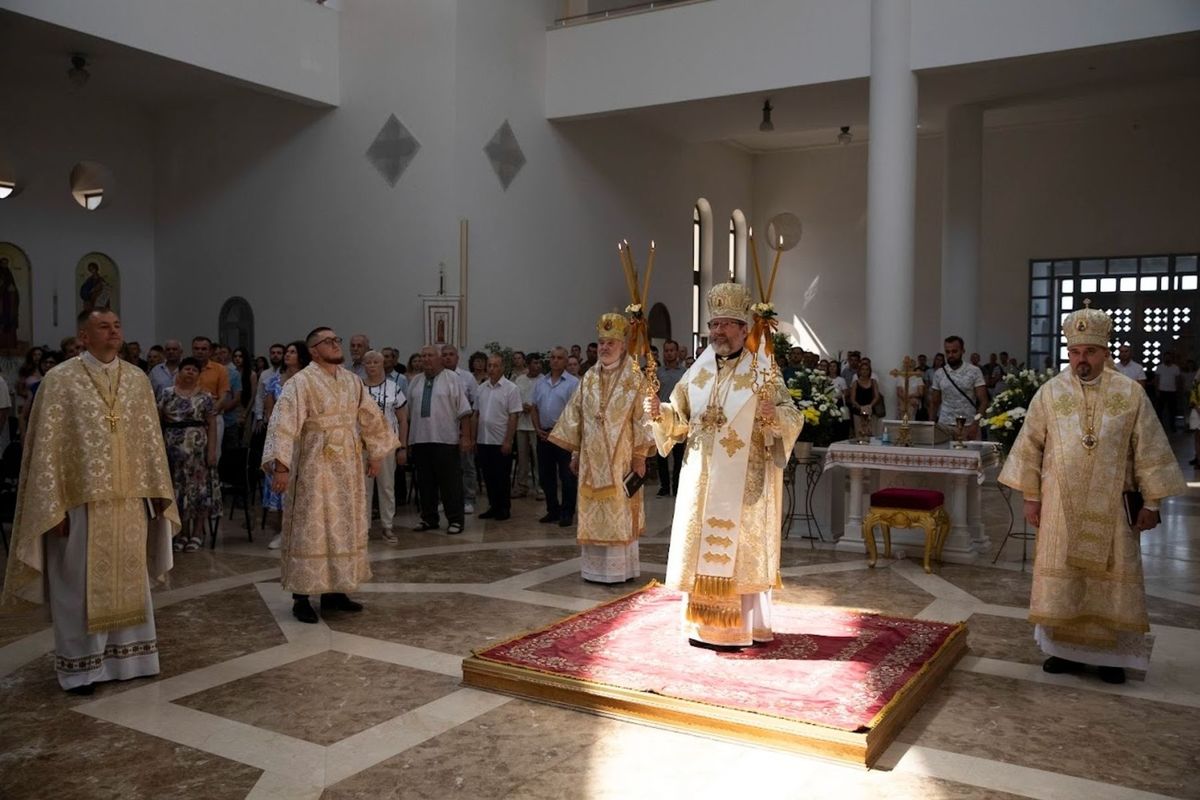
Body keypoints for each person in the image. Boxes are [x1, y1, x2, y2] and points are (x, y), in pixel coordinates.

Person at [999, 303, 1185, 684]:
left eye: (1089, 352)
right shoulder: (1050, 393)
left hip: (1114, 508)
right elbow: (1030, 445)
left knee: (1109, 581)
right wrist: (1031, 498)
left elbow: (1149, 448)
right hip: (1059, 506)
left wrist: (1151, 502)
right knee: (1064, 578)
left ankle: (1110, 657)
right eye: (1075, 352)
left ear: (1105, 352)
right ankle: (1061, 652)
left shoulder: (1131, 393)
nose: (1081, 360)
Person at [2, 308, 179, 694]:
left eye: (117, 325)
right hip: (79, 502)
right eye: (104, 326)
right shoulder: (59, 380)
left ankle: (131, 661)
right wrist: (53, 506)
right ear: (83, 336)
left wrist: (154, 495)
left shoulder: (136, 381)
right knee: (77, 587)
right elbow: (46, 449)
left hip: (129, 500)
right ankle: (82, 668)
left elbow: (150, 443)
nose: (113, 331)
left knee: (130, 582)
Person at [646, 283, 802, 649]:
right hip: (700, 481)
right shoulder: (696, 372)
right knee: (702, 551)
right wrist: (660, 413)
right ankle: (700, 626)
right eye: (713, 325)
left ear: (744, 329)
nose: (717, 332)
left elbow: (791, 416)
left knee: (739, 559)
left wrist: (772, 415)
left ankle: (743, 628)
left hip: (744, 485)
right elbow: (680, 418)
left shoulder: (763, 372)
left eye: (726, 324)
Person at [261, 327, 398, 623]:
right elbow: (282, 423)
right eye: (329, 342)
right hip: (314, 465)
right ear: (313, 350)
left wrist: (375, 452)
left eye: (337, 340)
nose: (336, 345)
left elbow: (371, 416)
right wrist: (282, 467)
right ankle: (301, 597)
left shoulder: (351, 381)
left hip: (348, 467)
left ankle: (335, 591)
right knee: (311, 526)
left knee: (343, 525)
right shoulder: (300, 382)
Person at [550, 315, 655, 583]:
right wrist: (574, 452)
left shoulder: (634, 377)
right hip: (590, 463)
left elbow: (642, 419)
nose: (605, 348)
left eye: (610, 343)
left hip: (621, 461)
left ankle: (620, 571)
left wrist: (640, 456)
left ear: (622, 345)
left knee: (618, 511)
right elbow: (577, 416)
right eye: (601, 343)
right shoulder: (589, 377)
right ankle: (594, 570)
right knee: (594, 511)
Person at [408, 345, 474, 534]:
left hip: (446, 440)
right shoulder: (415, 381)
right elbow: (410, 413)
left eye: (430, 355)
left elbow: (465, 412)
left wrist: (467, 437)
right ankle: (429, 518)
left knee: (450, 483)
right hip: (420, 440)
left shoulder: (452, 379)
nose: (425, 359)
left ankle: (455, 520)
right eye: (423, 356)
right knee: (425, 483)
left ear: (439, 359)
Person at [158, 357, 220, 552]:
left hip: (198, 453)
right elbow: (158, 422)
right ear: (180, 372)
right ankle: (182, 533)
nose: (190, 372)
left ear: (198, 373)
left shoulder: (205, 396)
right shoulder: (167, 394)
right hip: (173, 452)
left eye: (194, 369)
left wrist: (212, 451)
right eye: (187, 369)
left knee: (199, 492)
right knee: (179, 492)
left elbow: (211, 425)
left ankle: (198, 533)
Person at [262, 341, 310, 550]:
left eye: (292, 352)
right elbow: (270, 412)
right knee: (281, 487)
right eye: (287, 352)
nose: (287, 355)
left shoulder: (308, 380)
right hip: (282, 437)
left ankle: (303, 532)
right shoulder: (274, 381)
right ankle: (283, 531)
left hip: (304, 438)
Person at [361, 350, 408, 543]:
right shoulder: (357, 388)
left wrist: (403, 446)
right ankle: (363, 529)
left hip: (387, 444)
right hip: (362, 445)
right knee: (364, 488)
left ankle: (387, 526)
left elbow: (403, 419)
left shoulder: (393, 387)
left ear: (382, 364)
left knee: (387, 486)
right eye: (368, 363)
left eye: (375, 362)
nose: (372, 366)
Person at [530, 347, 580, 527]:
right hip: (543, 434)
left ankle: (567, 512)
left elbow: (574, 411)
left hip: (564, 436)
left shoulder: (573, 383)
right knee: (545, 475)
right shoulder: (540, 383)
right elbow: (534, 407)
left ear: (566, 362)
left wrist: (559, 430)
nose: (555, 360)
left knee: (567, 476)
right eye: (552, 357)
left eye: (559, 358)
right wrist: (537, 428)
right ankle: (553, 509)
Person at [475, 354, 522, 521]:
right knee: (488, 476)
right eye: (490, 366)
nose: (492, 369)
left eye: (496, 366)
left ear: (502, 368)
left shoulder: (511, 389)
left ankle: (503, 508)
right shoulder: (481, 388)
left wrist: (508, 440)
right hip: (483, 440)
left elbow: (513, 416)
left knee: (502, 476)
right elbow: (476, 414)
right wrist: (474, 438)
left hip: (501, 440)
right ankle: (493, 506)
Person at [441, 345, 479, 514]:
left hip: (464, 428)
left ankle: (468, 499)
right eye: (445, 355)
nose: (447, 358)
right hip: (444, 430)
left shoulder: (467, 377)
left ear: (457, 358)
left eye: (451, 355)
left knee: (466, 466)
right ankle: (447, 499)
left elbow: (475, 405)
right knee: (446, 468)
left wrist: (468, 432)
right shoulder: (437, 377)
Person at [930, 335, 988, 439]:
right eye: (947, 352)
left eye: (954, 351)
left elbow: (983, 401)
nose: (951, 355)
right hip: (944, 425)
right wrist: (931, 425)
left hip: (969, 425)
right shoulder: (939, 373)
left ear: (963, 351)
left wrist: (976, 423)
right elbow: (935, 402)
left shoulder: (974, 371)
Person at [655, 339, 687, 497]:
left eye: (672, 350)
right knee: (661, 454)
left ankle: (677, 486)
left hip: (678, 418)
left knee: (679, 454)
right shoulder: (658, 373)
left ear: (677, 352)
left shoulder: (684, 373)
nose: (669, 353)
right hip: (661, 418)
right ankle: (664, 486)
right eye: (666, 350)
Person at [512, 352, 542, 500]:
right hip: (521, 424)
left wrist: (534, 408)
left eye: (539, 363)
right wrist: (521, 406)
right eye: (534, 363)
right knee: (522, 458)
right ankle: (522, 486)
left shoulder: (544, 380)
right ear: (528, 365)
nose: (537, 366)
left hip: (537, 425)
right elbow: (514, 398)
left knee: (538, 457)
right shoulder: (520, 380)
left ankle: (540, 488)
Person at [849, 360, 880, 440]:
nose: (864, 371)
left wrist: (869, 407)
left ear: (870, 371)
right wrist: (861, 408)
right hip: (858, 411)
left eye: (867, 369)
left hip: (871, 411)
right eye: (862, 369)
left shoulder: (873, 382)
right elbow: (852, 399)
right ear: (859, 371)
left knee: (871, 433)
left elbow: (877, 397)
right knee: (859, 434)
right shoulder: (855, 383)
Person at [1154, 351, 1182, 431]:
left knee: (1172, 410)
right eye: (1166, 357)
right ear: (1163, 358)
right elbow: (1156, 379)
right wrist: (1157, 391)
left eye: (1169, 357)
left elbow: (1178, 380)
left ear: (1171, 358)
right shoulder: (1159, 367)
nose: (1167, 358)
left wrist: (1178, 391)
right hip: (1162, 391)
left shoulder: (1175, 368)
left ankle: (1172, 426)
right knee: (1159, 410)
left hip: (1172, 391)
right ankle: (1160, 426)